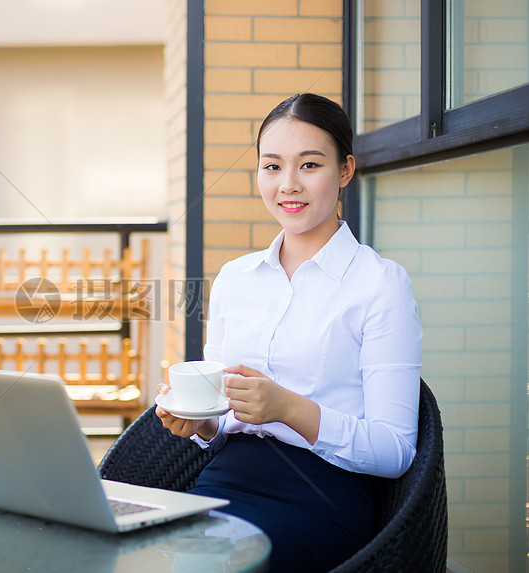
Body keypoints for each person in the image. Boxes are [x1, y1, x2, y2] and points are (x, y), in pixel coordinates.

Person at [156, 93, 422, 572]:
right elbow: (221, 421)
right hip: (222, 482)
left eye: (310, 165)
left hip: (321, 497)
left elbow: (395, 450)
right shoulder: (235, 279)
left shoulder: (380, 283)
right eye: (272, 166)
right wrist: (199, 422)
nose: (288, 185)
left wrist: (289, 408)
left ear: (345, 171)